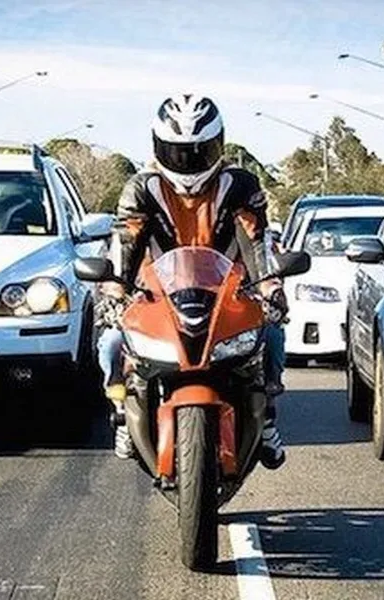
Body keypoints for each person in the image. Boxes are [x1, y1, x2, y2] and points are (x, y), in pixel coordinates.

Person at [96, 94, 288, 469]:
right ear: (158, 147)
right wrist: (115, 290)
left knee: (274, 336)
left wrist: (270, 288)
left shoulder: (239, 185)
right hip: (156, 293)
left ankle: (266, 417)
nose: (189, 162)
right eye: (179, 152)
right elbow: (126, 240)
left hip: (228, 291)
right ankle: (122, 411)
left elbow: (256, 239)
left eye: (199, 151)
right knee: (110, 342)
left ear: (218, 145)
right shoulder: (141, 188)